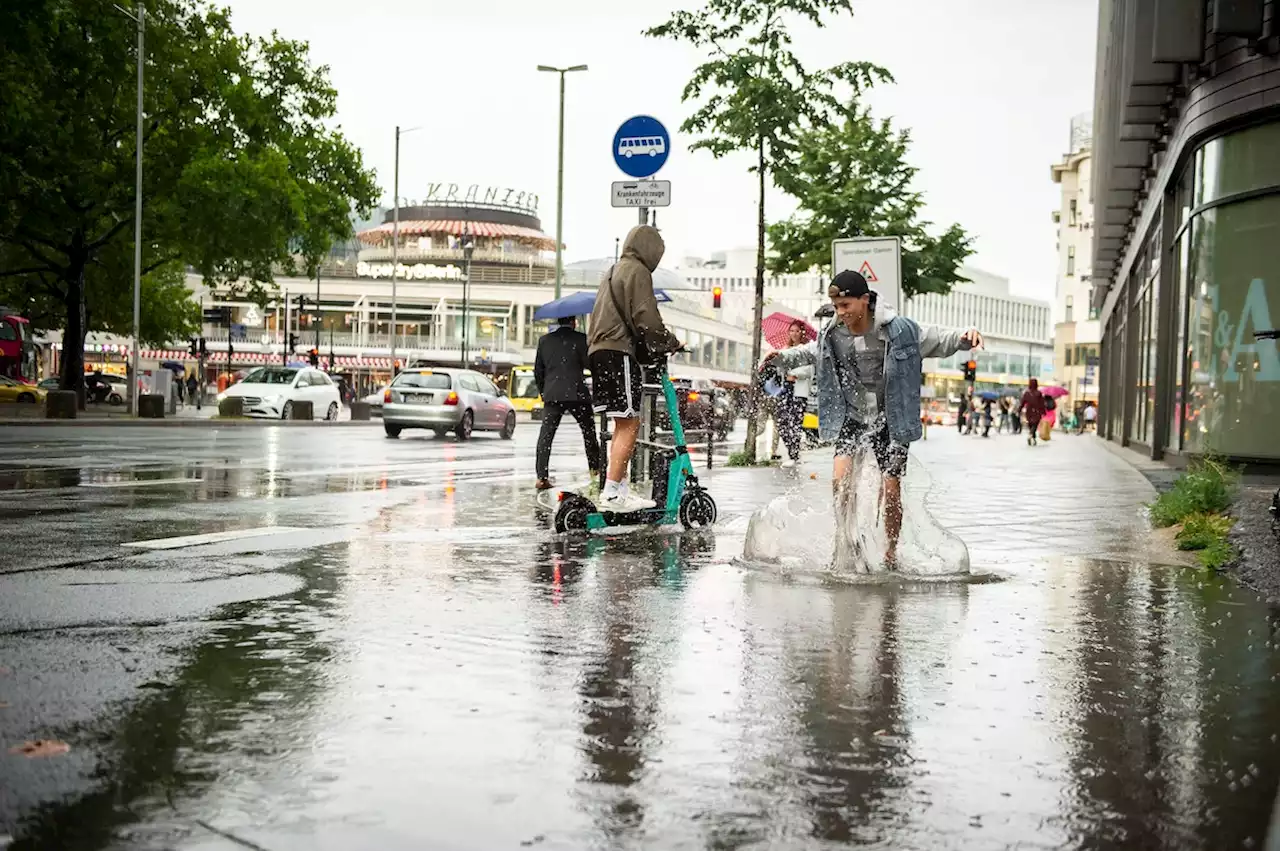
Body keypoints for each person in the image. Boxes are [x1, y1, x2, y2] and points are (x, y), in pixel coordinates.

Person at [764, 270, 982, 569]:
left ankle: (890, 551)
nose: (841, 313)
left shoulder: (899, 330)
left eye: (846, 306)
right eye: (836, 307)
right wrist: (780, 357)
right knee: (840, 479)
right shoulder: (834, 333)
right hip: (852, 415)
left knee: (891, 488)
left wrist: (963, 337)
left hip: (890, 418)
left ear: (865, 300)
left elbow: (935, 337)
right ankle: (845, 540)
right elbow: (811, 352)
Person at [587, 224, 682, 513]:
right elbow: (646, 316)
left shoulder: (614, 270)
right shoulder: (637, 271)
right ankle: (614, 493)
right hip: (619, 351)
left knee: (620, 422)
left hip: (599, 350)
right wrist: (669, 342)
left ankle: (618, 490)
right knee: (630, 422)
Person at [534, 315, 600, 490]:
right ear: (574, 322)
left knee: (546, 436)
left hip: (552, 394)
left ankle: (542, 477)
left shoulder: (545, 341)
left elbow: (538, 371)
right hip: (577, 394)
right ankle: (596, 471)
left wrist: (544, 392)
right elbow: (590, 365)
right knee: (589, 433)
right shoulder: (581, 339)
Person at [771, 320, 814, 468]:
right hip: (785, 389)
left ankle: (793, 455)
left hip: (799, 389)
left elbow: (811, 370)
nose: (794, 334)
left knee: (795, 423)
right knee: (782, 422)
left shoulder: (806, 349)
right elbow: (779, 371)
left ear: (802, 332)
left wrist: (794, 374)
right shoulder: (785, 349)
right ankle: (792, 450)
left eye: (797, 331)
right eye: (791, 331)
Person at [1019, 378, 1046, 446]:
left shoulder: (1027, 393)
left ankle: (1033, 438)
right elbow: (1042, 403)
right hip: (1037, 411)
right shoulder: (1039, 393)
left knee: (1030, 425)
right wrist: (1043, 412)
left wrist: (1019, 410)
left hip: (1029, 412)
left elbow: (1022, 403)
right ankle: (1031, 435)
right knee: (1035, 425)